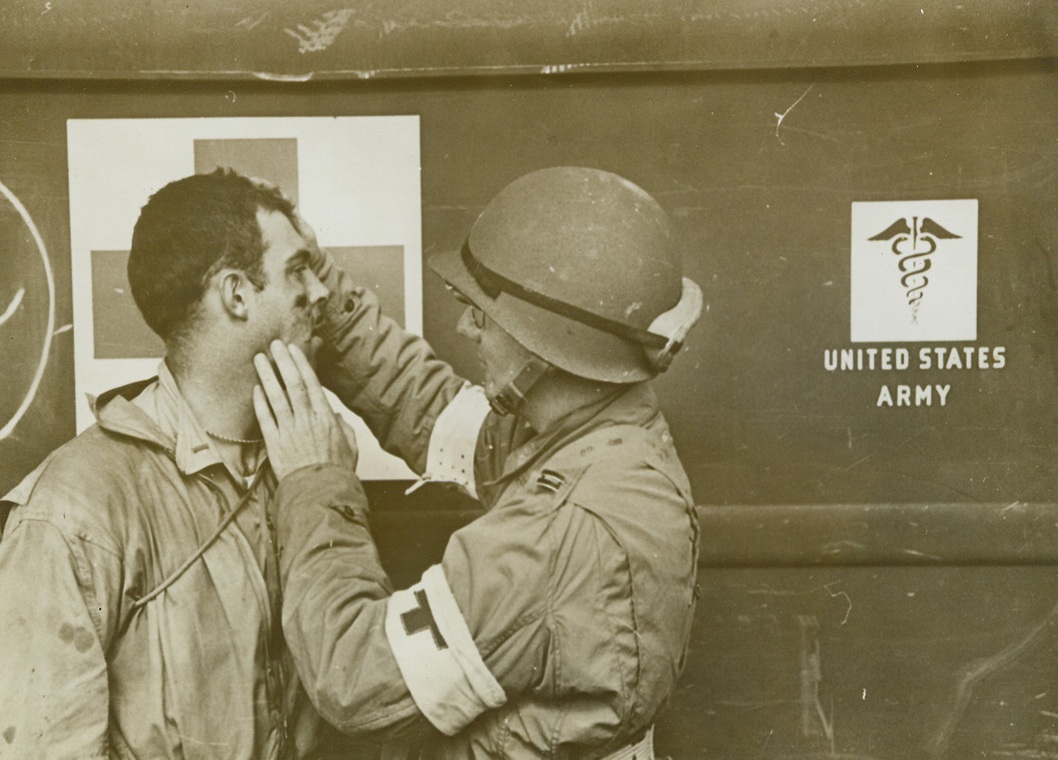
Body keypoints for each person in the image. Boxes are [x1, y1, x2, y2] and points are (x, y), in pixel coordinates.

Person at [253, 166, 705, 759]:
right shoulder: (599, 433)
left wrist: (317, 482)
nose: (467, 326)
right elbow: (436, 416)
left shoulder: (558, 532)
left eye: (483, 313)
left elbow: (355, 676)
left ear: (549, 341)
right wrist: (326, 295)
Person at [0, 169, 335, 759]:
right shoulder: (76, 507)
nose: (323, 292)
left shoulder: (306, 466)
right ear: (236, 294)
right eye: (297, 270)